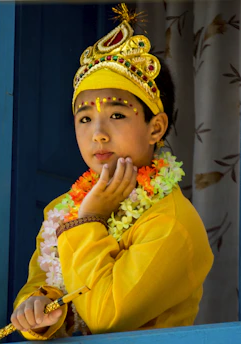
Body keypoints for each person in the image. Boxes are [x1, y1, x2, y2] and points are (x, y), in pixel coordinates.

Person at [11, 4, 214, 340]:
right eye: (85, 118)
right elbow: (43, 287)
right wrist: (36, 310)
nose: (98, 134)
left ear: (156, 128)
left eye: (117, 115)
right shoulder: (61, 210)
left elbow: (106, 317)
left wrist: (90, 220)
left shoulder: (170, 222)